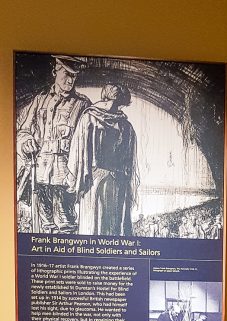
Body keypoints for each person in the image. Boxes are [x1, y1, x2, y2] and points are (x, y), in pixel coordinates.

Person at [17, 55, 90, 234]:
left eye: (74, 76)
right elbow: (24, 130)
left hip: (65, 173)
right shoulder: (40, 100)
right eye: (67, 74)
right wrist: (26, 142)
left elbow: (87, 142)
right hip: (39, 171)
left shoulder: (82, 104)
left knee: (66, 224)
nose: (71, 80)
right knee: (45, 224)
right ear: (54, 71)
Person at [67, 84, 138, 236]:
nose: (118, 108)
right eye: (117, 103)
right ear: (108, 100)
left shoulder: (125, 125)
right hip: (95, 181)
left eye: (120, 105)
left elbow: (128, 160)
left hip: (111, 181)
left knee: (109, 226)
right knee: (98, 225)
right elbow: (77, 152)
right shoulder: (89, 118)